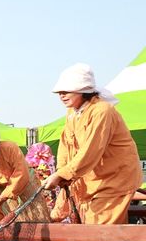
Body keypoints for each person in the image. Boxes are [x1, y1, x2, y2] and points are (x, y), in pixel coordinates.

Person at [43, 63, 142, 224]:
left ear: (84, 90)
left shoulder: (102, 111)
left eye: (66, 91)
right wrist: (61, 172)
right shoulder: (72, 114)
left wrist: (63, 174)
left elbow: (91, 150)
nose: (61, 95)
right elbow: (65, 146)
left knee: (100, 232)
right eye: (59, 92)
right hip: (90, 181)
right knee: (79, 224)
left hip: (114, 180)